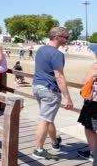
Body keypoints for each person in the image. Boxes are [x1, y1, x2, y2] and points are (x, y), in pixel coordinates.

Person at [32, 27, 73, 160]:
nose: (68, 40)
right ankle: (38, 150)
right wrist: (68, 98)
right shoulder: (57, 54)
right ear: (57, 37)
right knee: (44, 120)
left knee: (48, 118)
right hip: (49, 90)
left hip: (37, 87)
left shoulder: (41, 50)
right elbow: (59, 77)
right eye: (66, 37)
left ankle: (55, 143)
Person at [76, 45, 97, 162]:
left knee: (90, 128)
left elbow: (85, 81)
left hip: (94, 103)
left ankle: (93, 154)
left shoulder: (95, 66)